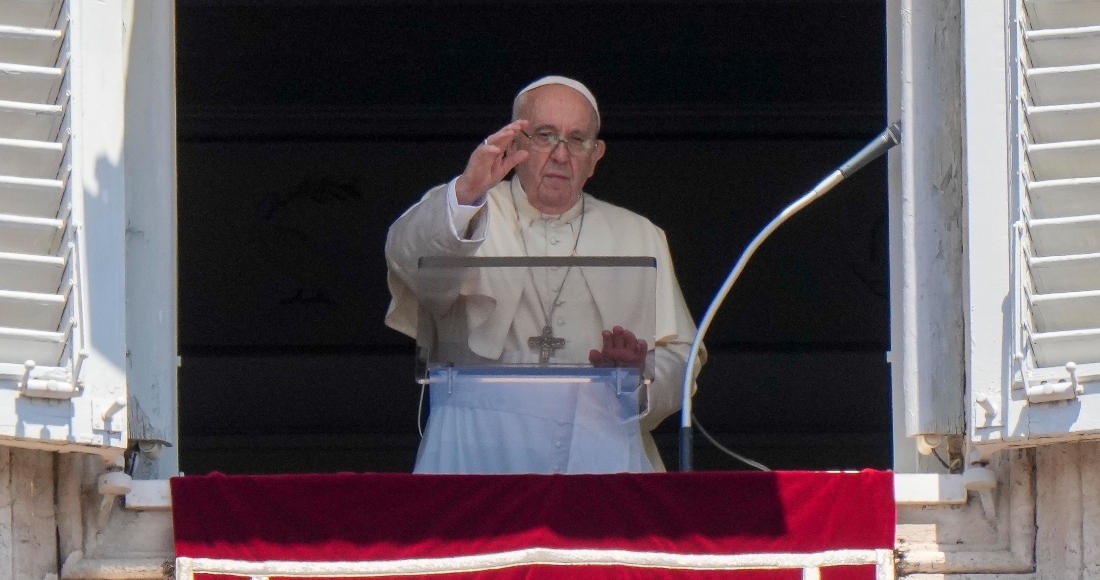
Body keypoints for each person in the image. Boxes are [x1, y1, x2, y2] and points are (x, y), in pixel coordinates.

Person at [385, 76, 703, 473]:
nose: (560, 154)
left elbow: (681, 357)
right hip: (480, 444)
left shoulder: (639, 233)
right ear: (516, 143)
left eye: (577, 139)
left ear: (596, 155)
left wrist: (639, 378)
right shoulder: (464, 211)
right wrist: (467, 189)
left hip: (599, 449)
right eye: (545, 135)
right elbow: (405, 257)